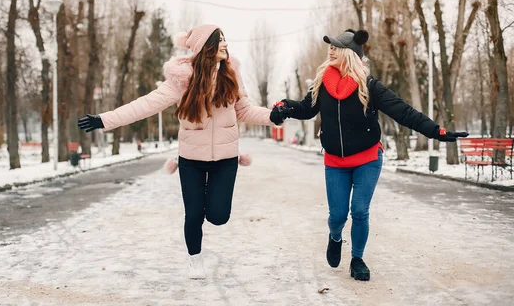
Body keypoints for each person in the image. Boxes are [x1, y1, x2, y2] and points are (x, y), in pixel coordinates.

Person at [270, 29, 468, 281]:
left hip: (367, 158)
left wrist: (437, 131)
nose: (330, 50)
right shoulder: (322, 84)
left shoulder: (370, 86)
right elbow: (305, 109)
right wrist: (284, 107)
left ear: (350, 54)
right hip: (335, 162)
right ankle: (335, 236)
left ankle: (357, 259)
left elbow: (404, 112)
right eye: (329, 46)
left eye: (336, 47)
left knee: (360, 210)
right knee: (338, 215)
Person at [78, 24, 272, 279]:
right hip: (191, 160)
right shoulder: (182, 79)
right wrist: (105, 120)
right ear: (206, 46)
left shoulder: (232, 73)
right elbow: (145, 104)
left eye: (225, 39)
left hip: (225, 160)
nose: (225, 44)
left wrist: (276, 115)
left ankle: (206, 200)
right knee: (193, 214)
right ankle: (195, 259)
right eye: (220, 40)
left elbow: (245, 111)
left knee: (218, 216)